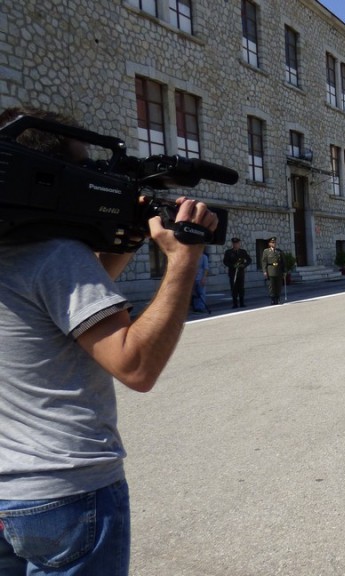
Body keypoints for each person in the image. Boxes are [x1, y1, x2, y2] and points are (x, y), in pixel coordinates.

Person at [0, 106, 219, 574]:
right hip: (65, 494)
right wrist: (183, 260)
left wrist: (124, 241)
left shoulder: (17, 249)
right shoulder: (57, 254)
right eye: (85, 168)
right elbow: (135, 366)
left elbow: (61, 312)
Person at [223, 237, 252, 308]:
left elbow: (249, 260)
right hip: (232, 273)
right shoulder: (228, 252)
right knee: (234, 288)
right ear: (232, 244)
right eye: (234, 243)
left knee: (241, 288)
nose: (236, 245)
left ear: (239, 244)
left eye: (237, 243)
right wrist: (232, 266)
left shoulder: (243, 252)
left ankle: (242, 303)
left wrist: (243, 265)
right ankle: (235, 303)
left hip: (241, 273)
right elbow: (225, 261)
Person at [262, 237, 285, 305]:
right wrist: (264, 271)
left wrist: (285, 271)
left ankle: (278, 298)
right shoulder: (266, 251)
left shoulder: (279, 251)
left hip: (278, 270)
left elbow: (283, 262)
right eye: (272, 242)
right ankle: (272, 299)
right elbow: (264, 262)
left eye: (274, 242)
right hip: (270, 270)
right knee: (271, 286)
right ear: (269, 244)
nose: (274, 244)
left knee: (278, 285)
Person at [192, 249, 211, 314]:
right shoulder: (193, 257)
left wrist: (204, 278)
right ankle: (196, 308)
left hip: (200, 278)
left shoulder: (204, 257)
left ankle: (201, 308)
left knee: (201, 293)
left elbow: (206, 269)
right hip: (194, 279)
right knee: (195, 294)